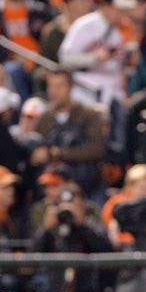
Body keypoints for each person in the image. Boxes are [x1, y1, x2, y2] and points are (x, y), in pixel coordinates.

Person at [33, 69, 107, 203]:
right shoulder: (45, 118)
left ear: (70, 87)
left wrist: (60, 153)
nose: (54, 91)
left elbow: (97, 149)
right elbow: (38, 146)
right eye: (51, 86)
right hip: (54, 187)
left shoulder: (89, 115)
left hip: (88, 186)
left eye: (59, 86)